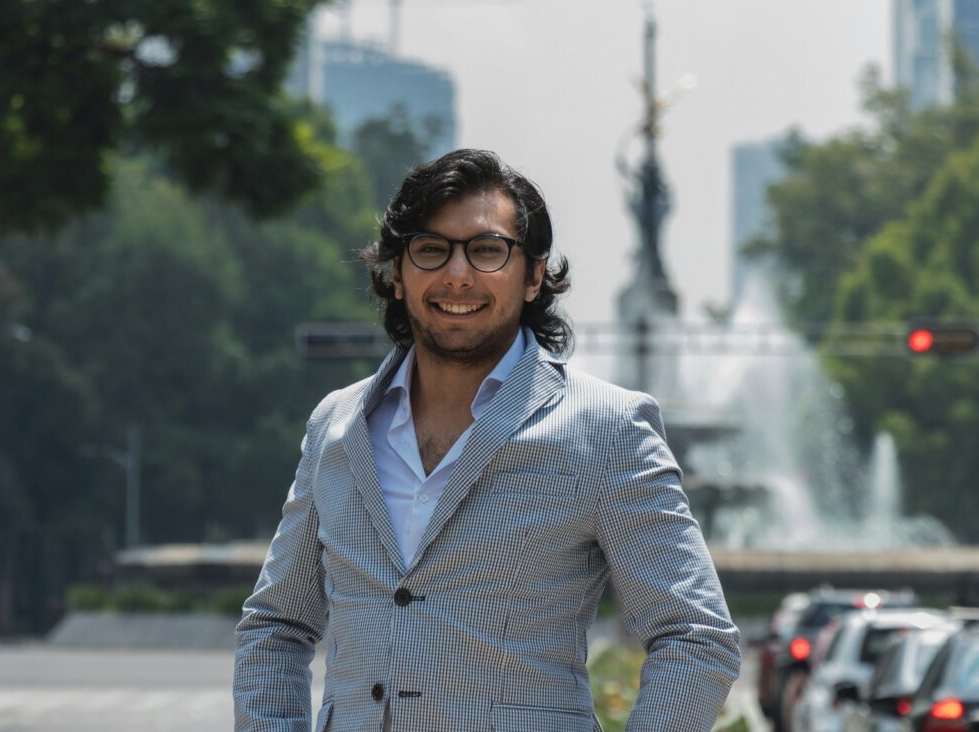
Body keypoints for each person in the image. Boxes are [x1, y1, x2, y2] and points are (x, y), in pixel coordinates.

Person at [233, 149, 740, 731]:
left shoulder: (607, 430)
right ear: (396, 275)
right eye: (430, 249)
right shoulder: (337, 425)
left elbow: (696, 638)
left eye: (487, 250)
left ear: (532, 277)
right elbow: (276, 626)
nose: (457, 274)